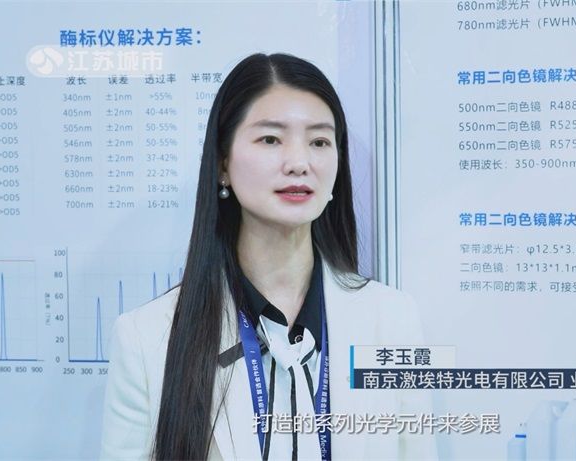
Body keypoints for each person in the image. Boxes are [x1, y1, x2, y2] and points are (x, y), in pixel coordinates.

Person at [99, 53, 435, 460]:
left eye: (319, 142)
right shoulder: (147, 337)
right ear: (223, 164)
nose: (299, 163)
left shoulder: (392, 318)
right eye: (271, 139)